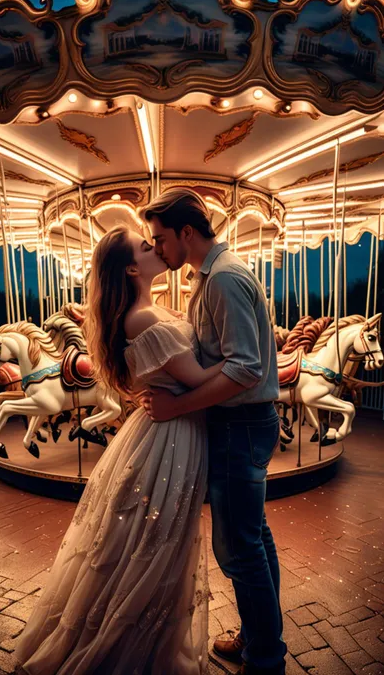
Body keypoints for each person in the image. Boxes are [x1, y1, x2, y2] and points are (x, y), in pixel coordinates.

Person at [14, 224, 228, 675]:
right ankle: (132, 648)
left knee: (150, 541)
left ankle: (148, 638)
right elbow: (197, 377)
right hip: (170, 436)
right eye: (146, 246)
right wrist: (249, 357)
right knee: (156, 543)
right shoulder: (143, 317)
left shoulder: (152, 309)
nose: (155, 248)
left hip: (166, 429)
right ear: (132, 267)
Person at [140, 188, 286, 675]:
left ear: (186, 232)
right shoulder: (213, 278)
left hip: (240, 423)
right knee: (254, 538)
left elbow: (244, 369)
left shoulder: (222, 280)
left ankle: (265, 659)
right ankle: (259, 638)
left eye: (160, 239)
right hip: (246, 423)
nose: (157, 248)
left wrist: (177, 404)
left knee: (239, 548)